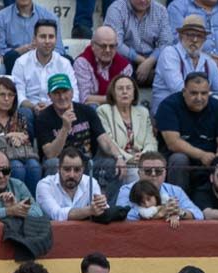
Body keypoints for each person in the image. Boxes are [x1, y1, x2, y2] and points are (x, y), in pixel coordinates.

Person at [36, 73, 128, 201]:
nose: (62, 97)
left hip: (88, 163)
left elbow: (104, 139)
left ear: (72, 92)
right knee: (52, 164)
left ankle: (105, 209)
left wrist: (119, 157)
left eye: (65, 91)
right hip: (62, 166)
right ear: (49, 96)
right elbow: (50, 153)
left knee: (115, 165)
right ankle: (61, 211)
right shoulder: (44, 118)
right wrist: (65, 129)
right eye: (56, 93)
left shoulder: (86, 111)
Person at [155, 72, 218, 202]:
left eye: (204, 93)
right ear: (184, 91)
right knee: (179, 159)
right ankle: (177, 205)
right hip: (179, 155)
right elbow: (173, 143)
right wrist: (202, 155)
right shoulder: (168, 105)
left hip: (210, 157)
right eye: (193, 93)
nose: (199, 98)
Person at [152, 13, 218, 111]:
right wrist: (217, 100)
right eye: (190, 35)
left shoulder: (208, 61)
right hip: (169, 112)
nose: (195, 40)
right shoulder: (169, 53)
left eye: (199, 36)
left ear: (204, 40)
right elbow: (179, 90)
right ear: (181, 36)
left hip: (195, 113)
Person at [0, 77, 41, 196]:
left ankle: (31, 206)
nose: (6, 99)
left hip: (21, 155)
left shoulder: (20, 116)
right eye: (2, 94)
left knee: (34, 166)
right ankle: (16, 205)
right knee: (16, 167)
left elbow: (26, 141)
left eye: (11, 95)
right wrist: (10, 136)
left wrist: (19, 139)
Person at [97, 74, 157, 181]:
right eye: (120, 89)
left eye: (128, 88)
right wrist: (130, 158)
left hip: (142, 159)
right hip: (118, 159)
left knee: (157, 169)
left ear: (134, 93)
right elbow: (108, 142)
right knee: (136, 173)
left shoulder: (143, 112)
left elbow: (150, 141)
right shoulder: (104, 111)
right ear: (113, 93)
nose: (125, 91)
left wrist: (144, 155)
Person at [11, 20, 77, 113]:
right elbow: (18, 95)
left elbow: (74, 95)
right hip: (31, 109)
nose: (47, 41)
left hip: (58, 109)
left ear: (56, 39)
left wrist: (52, 107)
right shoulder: (21, 62)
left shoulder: (64, 63)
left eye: (51, 37)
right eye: (42, 37)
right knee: (24, 113)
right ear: (34, 39)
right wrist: (34, 107)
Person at [103, 0, 172, 87]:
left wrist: (150, 62)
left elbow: (166, 42)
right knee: (114, 58)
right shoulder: (116, 9)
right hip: (127, 57)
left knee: (171, 56)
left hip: (152, 58)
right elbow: (116, 43)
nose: (143, 1)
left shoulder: (160, 10)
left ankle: (147, 78)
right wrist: (143, 61)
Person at [116, 151, 203, 220]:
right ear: (139, 173)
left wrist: (180, 212)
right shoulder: (126, 190)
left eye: (158, 171)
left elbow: (199, 215)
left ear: (165, 173)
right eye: (148, 171)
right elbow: (120, 215)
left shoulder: (176, 191)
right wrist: (155, 212)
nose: (153, 174)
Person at [36, 146, 111, 221]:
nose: (72, 175)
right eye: (67, 169)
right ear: (58, 168)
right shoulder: (45, 185)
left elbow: (102, 210)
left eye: (77, 170)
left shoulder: (91, 183)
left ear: (83, 170)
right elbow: (57, 214)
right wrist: (89, 211)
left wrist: (101, 205)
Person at [0, 0, 63, 74]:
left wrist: (40, 49)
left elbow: (59, 49)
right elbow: (1, 52)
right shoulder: (1, 17)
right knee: (7, 62)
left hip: (43, 60)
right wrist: (24, 49)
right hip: (14, 62)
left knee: (66, 60)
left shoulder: (49, 16)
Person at [73, 27, 133, 107]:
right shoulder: (82, 63)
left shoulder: (125, 67)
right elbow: (84, 99)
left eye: (111, 46)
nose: (108, 50)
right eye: (103, 46)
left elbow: (127, 97)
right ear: (93, 45)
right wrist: (114, 98)